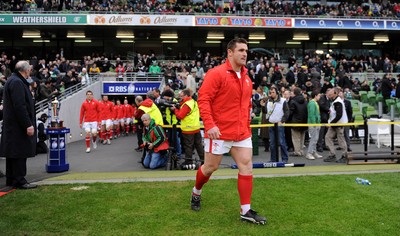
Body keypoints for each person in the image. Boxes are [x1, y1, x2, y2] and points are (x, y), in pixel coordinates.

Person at [191, 38, 266, 224]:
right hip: (219, 132)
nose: (244, 54)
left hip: (241, 133)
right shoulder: (216, 73)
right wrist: (209, 124)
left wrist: (247, 121)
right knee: (210, 168)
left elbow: (245, 104)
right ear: (230, 53)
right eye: (240, 50)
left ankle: (245, 211)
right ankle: (196, 192)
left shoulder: (247, 79)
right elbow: (204, 100)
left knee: (246, 167)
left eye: (246, 51)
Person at [0, 60, 37, 189]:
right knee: (19, 153)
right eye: (29, 69)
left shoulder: (13, 80)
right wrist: (28, 124)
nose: (30, 72)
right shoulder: (17, 82)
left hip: (13, 125)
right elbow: (20, 106)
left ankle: (12, 179)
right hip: (18, 126)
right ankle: (19, 180)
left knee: (13, 154)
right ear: (26, 70)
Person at [171, 88, 204, 166]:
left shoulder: (187, 104)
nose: (180, 98)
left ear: (186, 95)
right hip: (196, 127)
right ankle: (204, 160)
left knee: (188, 146)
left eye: (182, 96)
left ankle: (188, 161)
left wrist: (175, 110)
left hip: (188, 128)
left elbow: (180, 116)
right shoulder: (193, 102)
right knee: (198, 145)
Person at [260, 86, 289, 163]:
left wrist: (282, 121)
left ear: (277, 93)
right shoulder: (268, 101)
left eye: (273, 92)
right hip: (271, 123)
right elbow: (265, 111)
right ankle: (273, 159)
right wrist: (263, 107)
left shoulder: (283, 101)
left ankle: (284, 159)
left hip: (279, 124)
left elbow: (286, 112)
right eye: (270, 92)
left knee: (282, 142)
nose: (271, 94)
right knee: (272, 143)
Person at [324, 87, 348, 163]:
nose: (328, 95)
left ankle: (344, 155)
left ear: (335, 93)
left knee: (341, 140)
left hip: (338, 124)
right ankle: (332, 154)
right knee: (328, 137)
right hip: (335, 124)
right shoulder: (335, 102)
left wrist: (331, 124)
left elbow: (339, 115)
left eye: (330, 93)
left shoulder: (338, 102)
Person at [305, 91, 323, 160]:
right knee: (313, 139)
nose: (319, 97)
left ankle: (314, 152)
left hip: (316, 123)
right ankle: (309, 153)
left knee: (315, 139)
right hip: (314, 124)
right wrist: (314, 123)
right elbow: (312, 114)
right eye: (318, 95)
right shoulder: (312, 103)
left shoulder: (314, 103)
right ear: (315, 96)